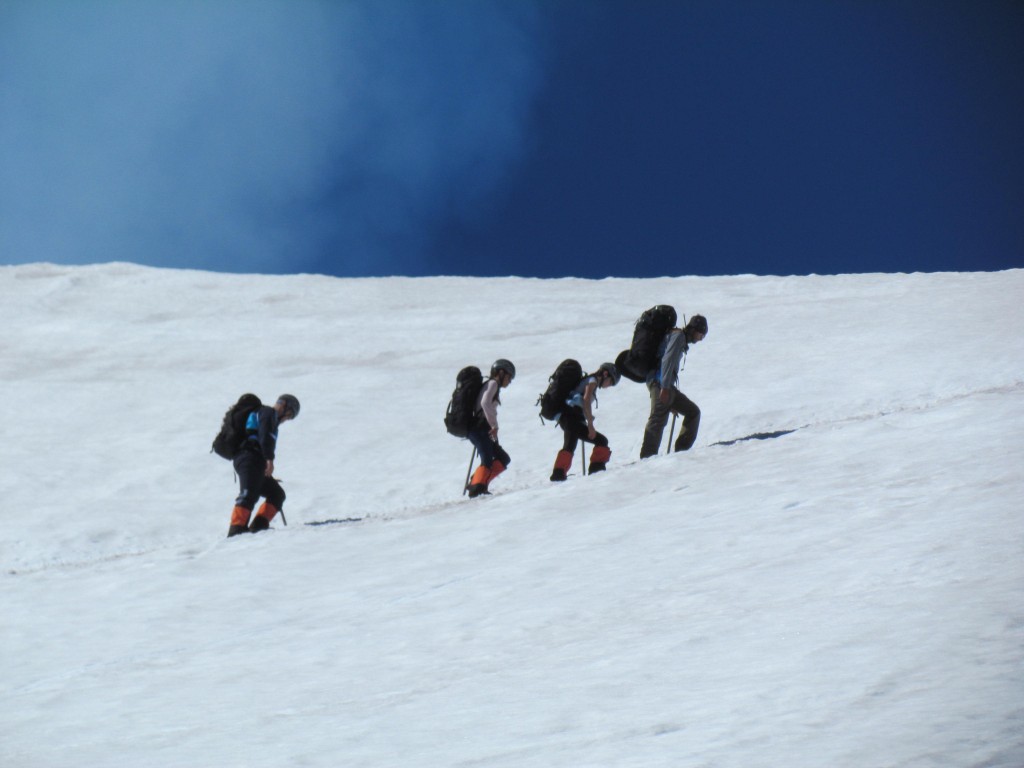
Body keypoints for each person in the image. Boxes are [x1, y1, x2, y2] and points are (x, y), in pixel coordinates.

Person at [227, 394, 300, 536]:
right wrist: (269, 460)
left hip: (255, 461)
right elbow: (265, 436)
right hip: (248, 457)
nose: (286, 419)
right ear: (283, 405)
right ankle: (236, 530)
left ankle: (258, 526)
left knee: (277, 494)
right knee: (248, 494)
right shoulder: (268, 413)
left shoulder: (267, 416)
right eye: (289, 414)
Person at [639, 315, 707, 458]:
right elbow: (667, 360)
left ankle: (681, 453)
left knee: (693, 412)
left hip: (666, 385)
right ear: (695, 330)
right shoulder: (678, 337)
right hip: (660, 383)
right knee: (658, 419)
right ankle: (647, 458)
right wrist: (664, 388)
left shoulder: (679, 337)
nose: (701, 338)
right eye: (702, 334)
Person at [550, 362, 620, 481]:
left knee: (569, 445)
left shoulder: (588, 379)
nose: (609, 386)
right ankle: (596, 472)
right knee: (602, 441)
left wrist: (587, 417)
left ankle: (558, 475)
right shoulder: (592, 381)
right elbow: (586, 400)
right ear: (605, 374)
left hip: (567, 416)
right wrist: (590, 425)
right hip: (572, 417)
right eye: (611, 382)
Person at [466, 359, 515, 498]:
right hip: (479, 428)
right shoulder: (493, 383)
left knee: (503, 458)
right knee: (487, 460)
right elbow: (485, 402)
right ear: (501, 373)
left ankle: (478, 483)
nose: (510, 381)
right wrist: (494, 425)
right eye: (509, 377)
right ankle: (476, 490)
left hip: (480, 429)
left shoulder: (491, 385)